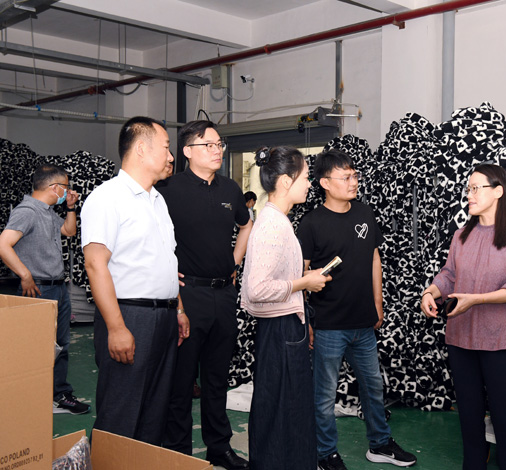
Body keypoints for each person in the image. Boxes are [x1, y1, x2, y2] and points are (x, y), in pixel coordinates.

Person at [297, 149, 417, 470]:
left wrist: (378, 302)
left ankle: (380, 444)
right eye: (345, 177)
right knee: (324, 396)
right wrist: (307, 319)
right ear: (325, 183)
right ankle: (325, 454)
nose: (353, 181)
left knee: (373, 387)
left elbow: (374, 258)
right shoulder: (311, 224)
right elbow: (302, 274)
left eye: (355, 175)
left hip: (364, 323)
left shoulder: (364, 212)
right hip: (328, 326)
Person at [81, 116, 189, 445]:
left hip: (164, 317)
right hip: (130, 316)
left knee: (154, 412)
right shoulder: (107, 197)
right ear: (141, 148)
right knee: (121, 412)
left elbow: (166, 260)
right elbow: (95, 264)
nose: (171, 157)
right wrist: (116, 328)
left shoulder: (157, 200)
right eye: (166, 148)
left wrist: (178, 309)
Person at [420, 164, 506, 470]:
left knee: (504, 418)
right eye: (468, 189)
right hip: (461, 338)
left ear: (498, 192)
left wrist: (476, 300)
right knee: (469, 416)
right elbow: (448, 275)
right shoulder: (461, 235)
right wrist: (430, 292)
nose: (469, 195)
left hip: (501, 341)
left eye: (476, 188)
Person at [159, 120, 253, 470]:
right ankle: (178, 452)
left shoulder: (230, 188)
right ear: (187, 151)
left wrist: (234, 260)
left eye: (219, 145)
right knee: (181, 381)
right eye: (208, 145)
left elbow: (246, 224)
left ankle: (219, 448)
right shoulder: (168, 189)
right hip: (187, 295)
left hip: (223, 294)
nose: (217, 151)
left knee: (217, 378)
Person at [241, 146, 330, 469]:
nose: (309, 184)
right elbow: (257, 289)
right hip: (279, 332)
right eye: (305, 177)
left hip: (285, 325)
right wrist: (304, 283)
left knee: (285, 409)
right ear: (285, 181)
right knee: (282, 411)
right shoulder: (273, 226)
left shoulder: (278, 220)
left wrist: (302, 285)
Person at [0, 164, 90, 415]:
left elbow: (69, 231)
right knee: (38, 346)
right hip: (39, 288)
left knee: (59, 345)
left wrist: (70, 207)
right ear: (55, 187)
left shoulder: (46, 211)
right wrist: (25, 275)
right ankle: (36, 397)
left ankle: (58, 395)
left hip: (57, 287)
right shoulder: (27, 211)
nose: (67, 191)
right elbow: (3, 244)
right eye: (66, 187)